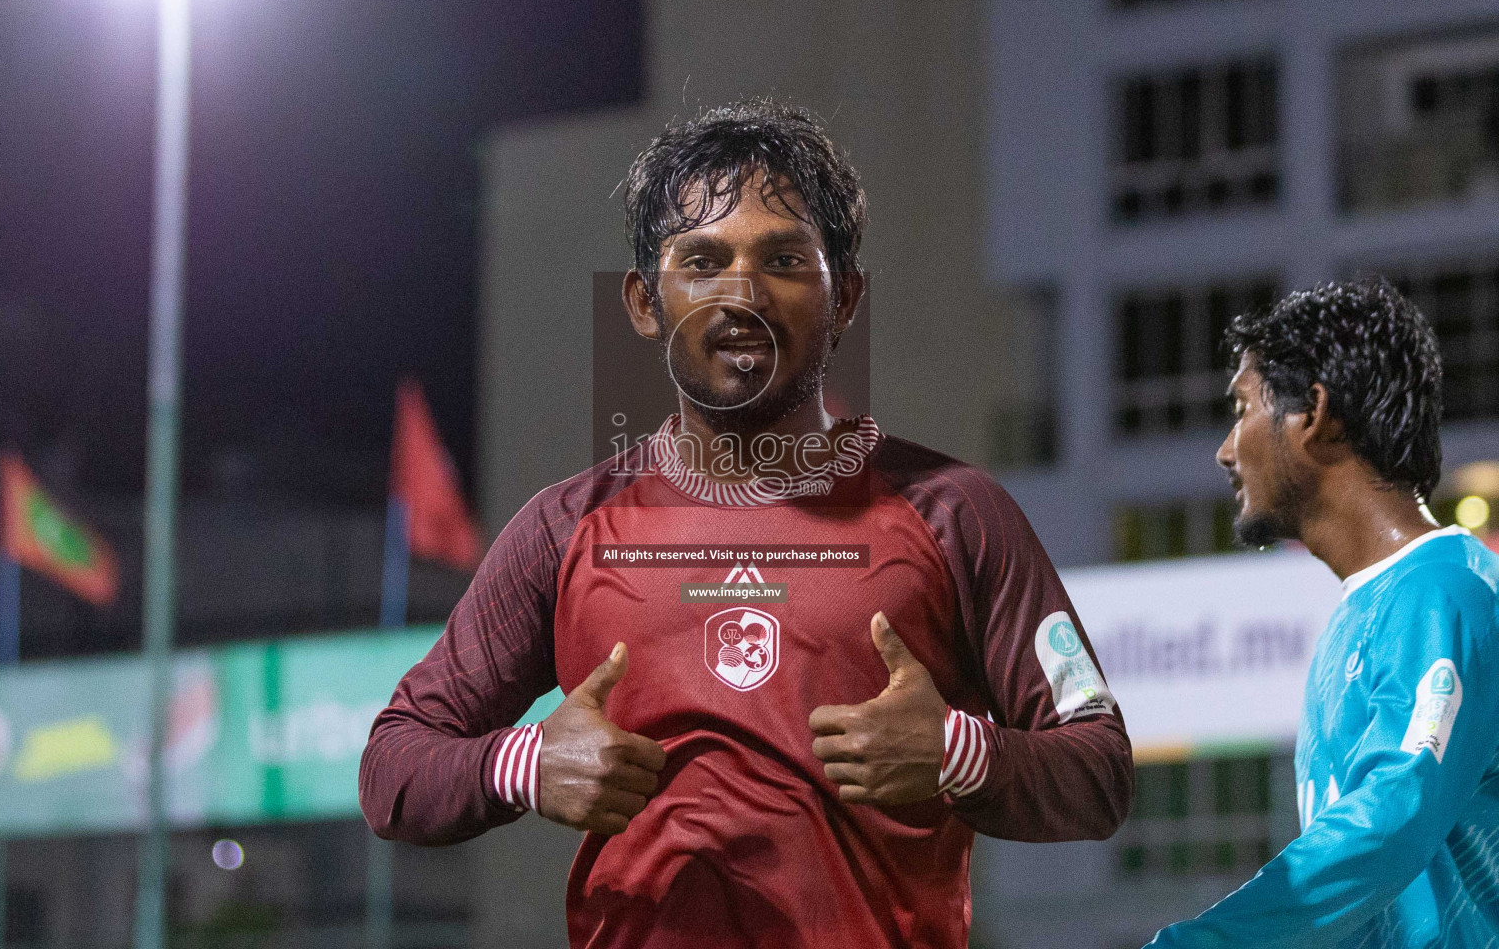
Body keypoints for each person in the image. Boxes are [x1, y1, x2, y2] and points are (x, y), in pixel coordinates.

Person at [359, 98, 1133, 949]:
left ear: (846, 301)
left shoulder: (956, 512)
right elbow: (394, 765)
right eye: (701, 259)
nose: (742, 292)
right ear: (645, 302)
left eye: (785, 258)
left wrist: (959, 753)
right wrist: (524, 764)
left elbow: (1098, 771)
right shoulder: (565, 528)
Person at [1147, 279, 1499, 948]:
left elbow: (1391, 817)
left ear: (1314, 413)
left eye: (1243, 408)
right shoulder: (1366, 610)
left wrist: (1203, 942)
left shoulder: (1445, 592)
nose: (1226, 449)